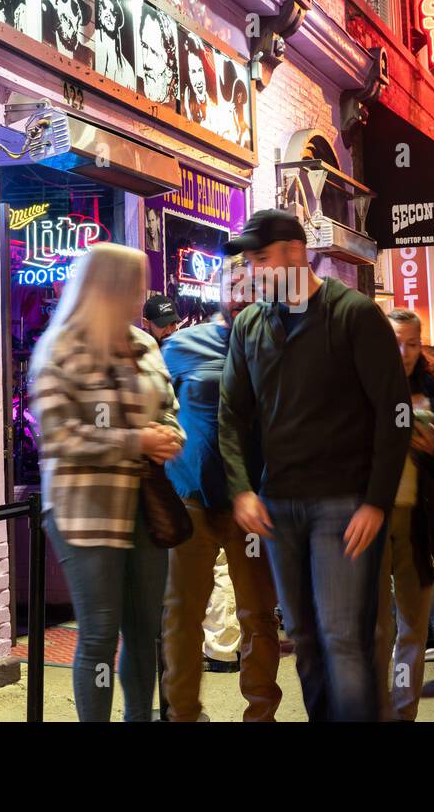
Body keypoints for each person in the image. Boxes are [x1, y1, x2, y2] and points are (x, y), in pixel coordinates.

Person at [219, 209, 410, 722]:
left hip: (344, 504)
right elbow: (231, 415)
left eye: (260, 258)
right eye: (249, 260)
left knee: (342, 637)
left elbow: (395, 415)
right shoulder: (250, 327)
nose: (252, 270)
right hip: (278, 504)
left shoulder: (354, 314)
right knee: (303, 637)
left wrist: (375, 501)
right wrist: (240, 488)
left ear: (296, 253)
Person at [29, 243, 185, 722]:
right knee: (99, 631)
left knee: (147, 631)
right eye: (133, 286)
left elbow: (169, 411)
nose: (141, 297)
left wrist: (168, 435)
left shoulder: (143, 345)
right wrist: (135, 440)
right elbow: (59, 437)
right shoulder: (61, 348)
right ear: (107, 287)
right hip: (84, 509)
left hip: (144, 505)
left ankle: (140, 716)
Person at [159, 258, 281, 722]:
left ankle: (261, 715)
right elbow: (154, 407)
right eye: (233, 285)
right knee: (181, 617)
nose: (241, 294)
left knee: (258, 616)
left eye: (252, 287)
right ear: (217, 291)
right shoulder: (181, 346)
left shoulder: (277, 348)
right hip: (189, 499)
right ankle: (183, 715)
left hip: (253, 504)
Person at [375, 310, 434, 719]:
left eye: (412, 343)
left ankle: (402, 710)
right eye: (394, 341)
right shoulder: (362, 384)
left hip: (419, 522)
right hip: (370, 519)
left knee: (413, 624)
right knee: (376, 628)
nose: (403, 352)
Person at [93, 0, 136, 88]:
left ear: (118, 17)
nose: (109, 15)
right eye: (104, 7)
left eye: (113, 12)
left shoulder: (128, 71)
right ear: (99, 11)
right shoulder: (92, 48)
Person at [180, 33, 215, 125]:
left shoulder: (215, 106)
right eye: (193, 72)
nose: (198, 80)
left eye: (200, 70)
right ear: (188, 74)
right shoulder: (185, 105)